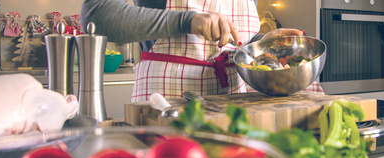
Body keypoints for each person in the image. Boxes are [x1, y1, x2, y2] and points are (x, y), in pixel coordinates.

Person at [80, 0, 324, 102]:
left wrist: (260, 44)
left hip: (233, 100)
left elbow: (231, 39)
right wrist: (187, 21)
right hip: (168, 99)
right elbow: (97, 15)